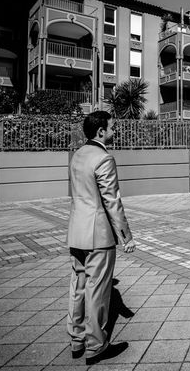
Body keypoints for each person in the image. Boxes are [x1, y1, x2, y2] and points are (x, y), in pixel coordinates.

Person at [66, 111, 135, 365]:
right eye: (112, 128)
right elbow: (112, 200)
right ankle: (96, 345)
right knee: (97, 289)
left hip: (76, 231)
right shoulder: (104, 158)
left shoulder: (77, 156)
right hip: (98, 235)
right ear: (101, 132)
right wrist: (126, 236)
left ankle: (76, 340)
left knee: (78, 287)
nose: (114, 131)